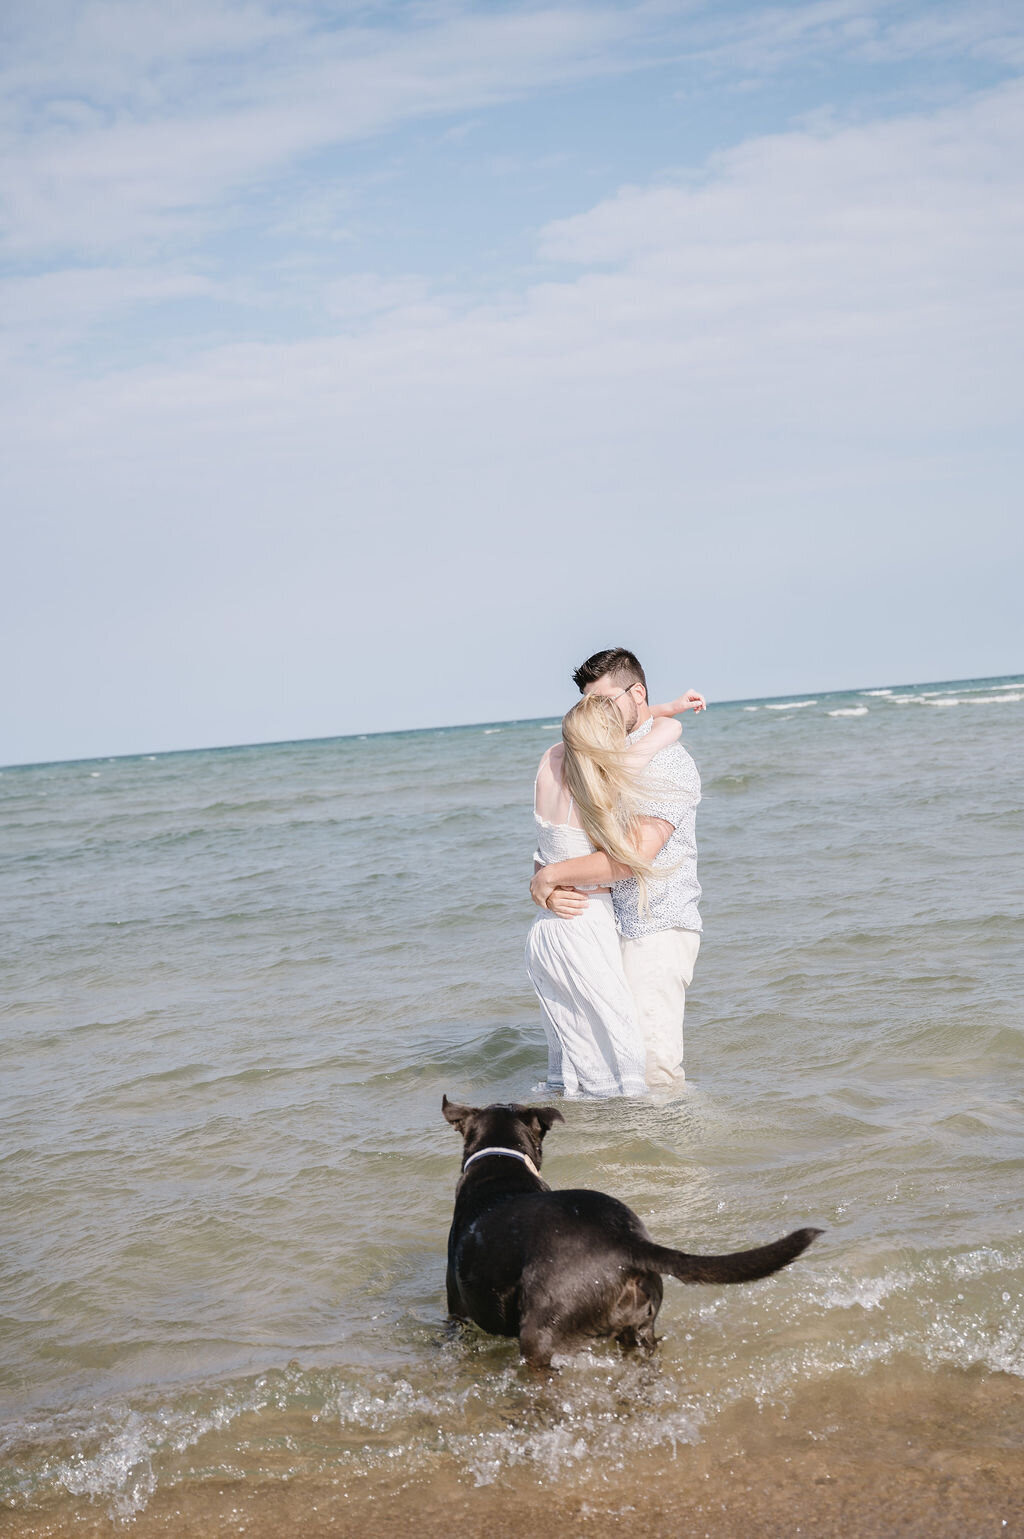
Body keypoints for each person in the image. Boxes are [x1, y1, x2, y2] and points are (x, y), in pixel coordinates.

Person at [530, 648, 705, 1088]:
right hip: (604, 932)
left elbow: (634, 855)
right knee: (604, 1062)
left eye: (604, 701)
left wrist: (551, 876)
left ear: (637, 693)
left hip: (655, 927)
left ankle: (673, 1155)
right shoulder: (597, 759)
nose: (597, 712)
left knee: (653, 1069)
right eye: (590, 703)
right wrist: (546, 879)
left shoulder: (667, 762)